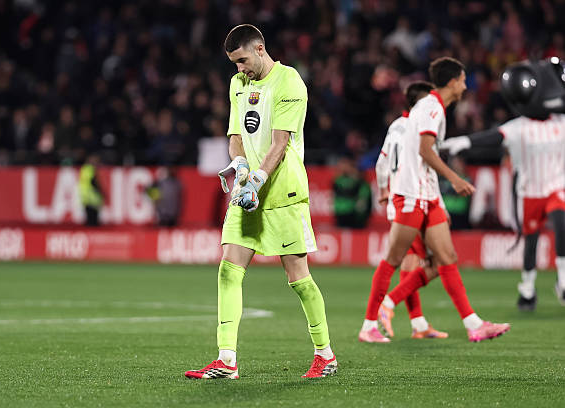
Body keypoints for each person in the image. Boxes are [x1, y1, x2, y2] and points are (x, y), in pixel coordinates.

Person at [184, 24, 337, 380]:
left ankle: (325, 354)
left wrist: (256, 180)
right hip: (247, 192)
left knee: (298, 277)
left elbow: (280, 144)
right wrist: (240, 166)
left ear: (259, 49)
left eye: (242, 61)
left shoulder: (289, 81)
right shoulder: (238, 84)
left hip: (283, 193)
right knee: (228, 269)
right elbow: (235, 135)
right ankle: (226, 360)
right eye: (234, 64)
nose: (239, 69)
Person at [358, 57, 511, 343]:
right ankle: (369, 325)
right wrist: (455, 179)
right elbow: (426, 151)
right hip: (411, 196)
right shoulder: (432, 107)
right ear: (452, 82)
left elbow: (411, 157)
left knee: (446, 258)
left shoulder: (428, 108)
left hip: (426, 195)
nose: (465, 86)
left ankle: (473, 325)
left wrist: (437, 199)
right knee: (394, 259)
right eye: (462, 80)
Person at [441, 58, 565, 311]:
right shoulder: (520, 127)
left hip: (557, 185)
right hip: (529, 190)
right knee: (531, 241)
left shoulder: (560, 122)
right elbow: (493, 137)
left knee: (562, 224)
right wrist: (465, 142)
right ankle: (527, 288)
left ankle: (563, 279)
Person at [372, 80, 448, 340]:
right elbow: (424, 168)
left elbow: (381, 163)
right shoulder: (420, 128)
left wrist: (383, 189)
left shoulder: (396, 125)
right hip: (414, 200)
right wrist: (439, 204)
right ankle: (388, 304)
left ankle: (418, 324)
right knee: (438, 261)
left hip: (398, 199)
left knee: (410, 262)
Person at [333, 156, 372, 228]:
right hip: (341, 215)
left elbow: (362, 203)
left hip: (356, 218)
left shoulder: (362, 184)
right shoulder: (339, 181)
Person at [78, 154, 103, 226]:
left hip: (85, 195)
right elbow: (93, 181)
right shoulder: (90, 169)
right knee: (93, 217)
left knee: (89, 215)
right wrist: (100, 191)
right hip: (91, 195)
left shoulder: (84, 169)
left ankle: (90, 226)